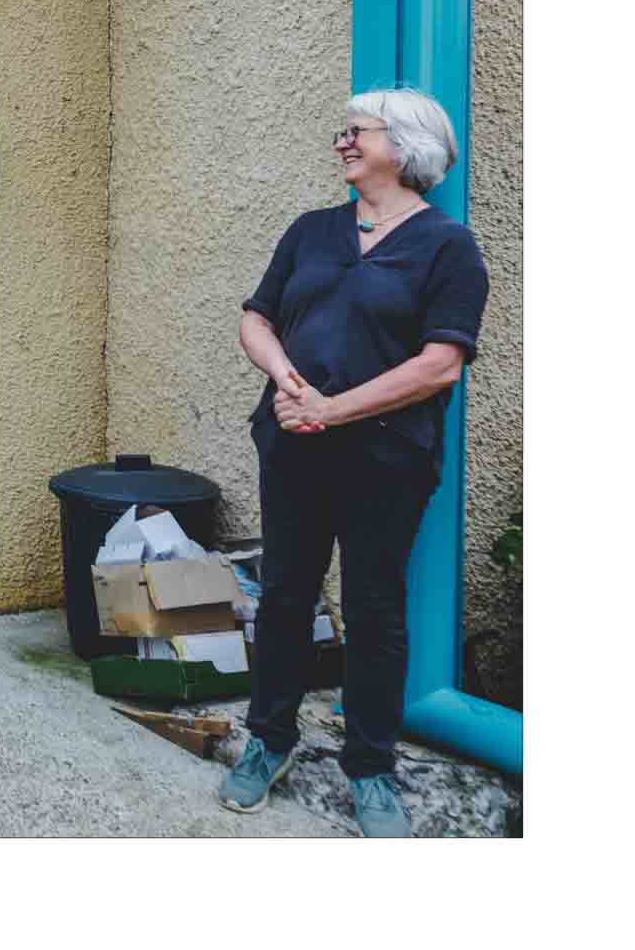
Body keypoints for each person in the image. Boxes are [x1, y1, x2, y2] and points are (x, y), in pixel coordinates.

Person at [219, 86, 489, 837]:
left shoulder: (448, 247)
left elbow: (440, 365)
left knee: (373, 610)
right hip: (293, 447)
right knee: (283, 595)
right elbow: (257, 315)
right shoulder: (312, 230)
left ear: (402, 148)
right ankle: (269, 739)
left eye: (356, 131)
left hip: (385, 458)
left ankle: (370, 767)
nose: (342, 142)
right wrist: (286, 380)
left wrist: (333, 408)